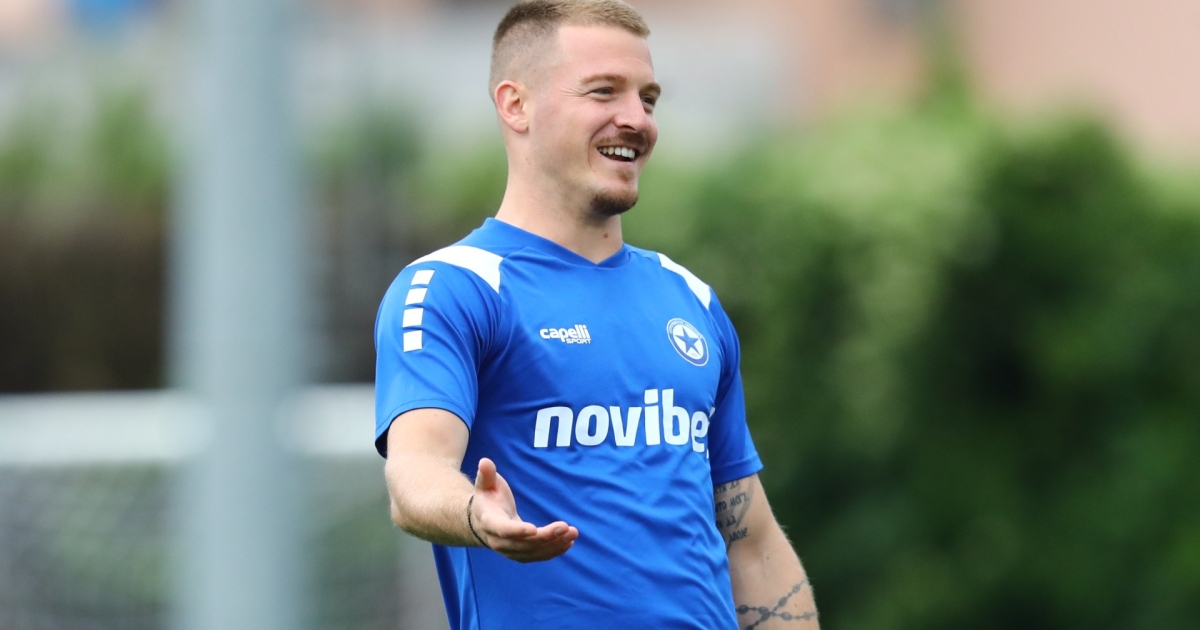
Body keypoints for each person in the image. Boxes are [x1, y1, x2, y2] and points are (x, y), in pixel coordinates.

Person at [374, 1, 819, 627]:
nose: (636, 119)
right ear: (516, 105)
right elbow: (416, 472)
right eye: (604, 91)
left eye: (648, 98)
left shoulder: (689, 299)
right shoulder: (455, 288)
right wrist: (478, 515)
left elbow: (752, 543)